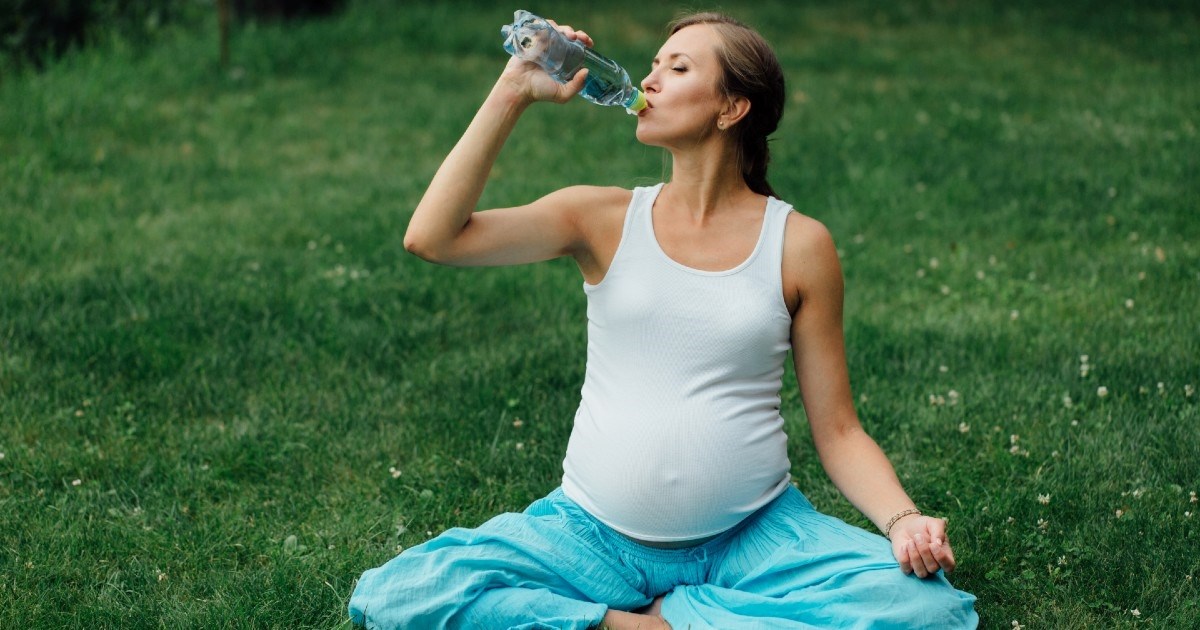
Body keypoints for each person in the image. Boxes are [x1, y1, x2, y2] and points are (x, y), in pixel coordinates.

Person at [349, 11, 978, 630]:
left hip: (755, 541)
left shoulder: (799, 245)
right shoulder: (597, 217)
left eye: (677, 68)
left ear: (732, 108)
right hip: (590, 536)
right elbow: (432, 238)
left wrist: (903, 522)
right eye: (653, 65)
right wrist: (514, 88)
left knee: (929, 607)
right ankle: (635, 625)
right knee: (402, 593)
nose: (648, 81)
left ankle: (673, 618)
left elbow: (839, 431)